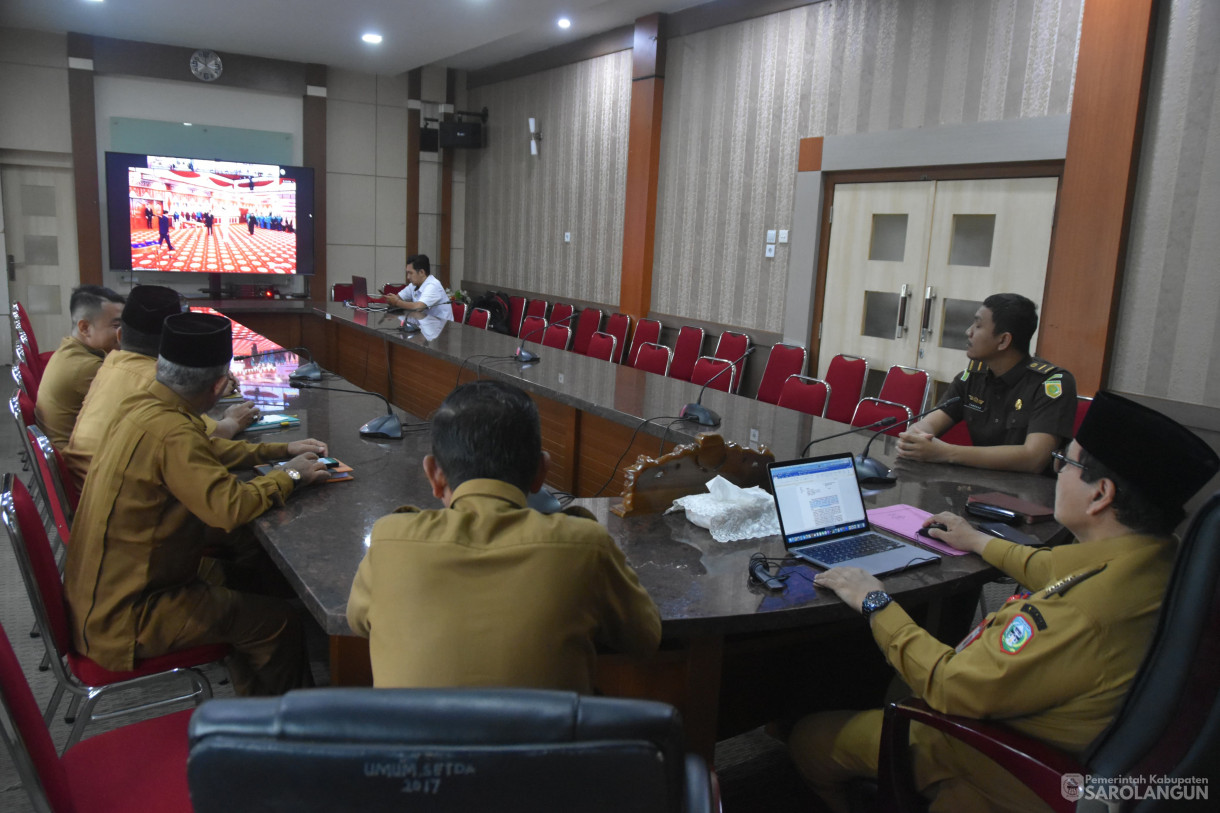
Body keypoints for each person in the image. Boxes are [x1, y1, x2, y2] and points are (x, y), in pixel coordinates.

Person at [788, 391, 1219, 813]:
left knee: (806, 737)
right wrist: (975, 539)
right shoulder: (1159, 559)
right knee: (895, 681)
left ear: (1100, 494)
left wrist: (875, 601)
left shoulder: (1081, 613)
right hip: (1073, 731)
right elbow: (1050, 565)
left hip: (1003, 759)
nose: (1058, 472)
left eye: (1065, 462)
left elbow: (951, 686)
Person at [64, 312, 332, 696]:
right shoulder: (173, 431)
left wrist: (281, 449)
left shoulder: (143, 404)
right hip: (130, 613)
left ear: (161, 368)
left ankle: (251, 701)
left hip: (109, 588)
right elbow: (229, 509)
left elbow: (205, 447)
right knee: (280, 621)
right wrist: (290, 475)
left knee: (257, 580)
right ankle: (286, 733)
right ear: (221, 385)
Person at [347, 379, 661, 691]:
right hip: (549, 741)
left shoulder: (390, 540)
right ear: (541, 472)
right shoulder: (585, 545)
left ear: (434, 475)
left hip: (413, 742)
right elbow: (645, 637)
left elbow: (357, 621)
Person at [63, 285, 260, 490]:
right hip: (115, 490)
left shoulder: (111, 362)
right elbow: (209, 438)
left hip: (86, 487)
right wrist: (234, 421)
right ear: (177, 343)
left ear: (121, 335)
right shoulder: (157, 381)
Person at [896, 293, 1076, 473]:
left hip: (1028, 494)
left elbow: (1034, 457)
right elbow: (929, 424)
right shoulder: (971, 378)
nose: (969, 331)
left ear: (1003, 340)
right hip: (978, 486)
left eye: (978, 325)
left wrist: (946, 452)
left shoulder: (1050, 384)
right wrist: (915, 436)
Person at [34, 285, 125, 450]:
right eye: (116, 326)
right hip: (75, 465)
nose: (122, 333)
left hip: (68, 450)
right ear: (85, 328)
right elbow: (131, 409)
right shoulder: (85, 368)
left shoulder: (71, 348)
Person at [384, 254, 454, 322]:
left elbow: (418, 307)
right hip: (425, 325)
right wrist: (391, 299)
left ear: (421, 272)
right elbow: (399, 297)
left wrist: (396, 302)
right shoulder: (414, 284)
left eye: (410, 273)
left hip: (441, 329)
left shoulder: (433, 285)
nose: (408, 277)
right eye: (407, 273)